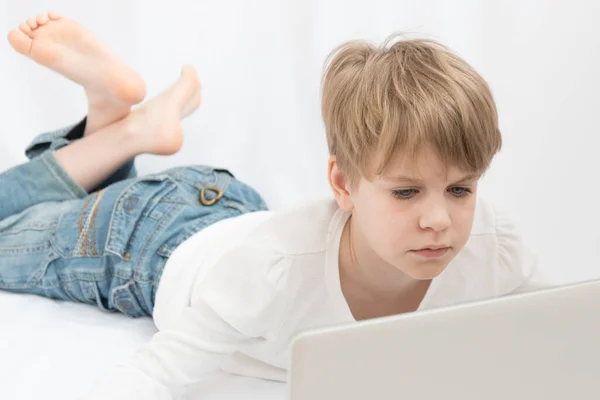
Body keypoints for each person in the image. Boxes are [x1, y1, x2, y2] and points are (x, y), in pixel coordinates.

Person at [2, 12, 542, 399]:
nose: (439, 220)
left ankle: (114, 115)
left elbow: (562, 332)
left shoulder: (494, 247)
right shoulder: (271, 272)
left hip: (236, 214)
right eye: (406, 192)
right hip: (145, 244)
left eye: (460, 189)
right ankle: (124, 130)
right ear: (343, 183)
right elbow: (155, 374)